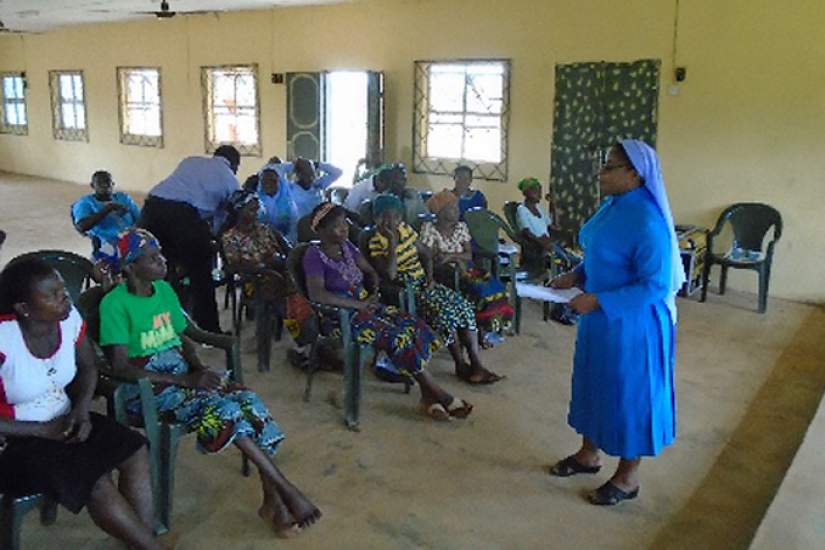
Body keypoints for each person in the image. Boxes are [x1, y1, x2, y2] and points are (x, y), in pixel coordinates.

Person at [98, 228, 321, 535]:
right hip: (148, 389)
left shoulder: (163, 291)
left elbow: (183, 338)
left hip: (181, 377)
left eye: (160, 253)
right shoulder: (115, 304)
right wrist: (186, 380)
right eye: (152, 258)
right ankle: (284, 490)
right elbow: (121, 366)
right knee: (226, 410)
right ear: (130, 267)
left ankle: (275, 500)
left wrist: (202, 371)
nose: (162, 261)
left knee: (249, 402)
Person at [548, 140, 685, 506]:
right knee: (595, 383)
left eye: (610, 167)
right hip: (599, 321)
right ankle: (588, 454)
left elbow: (655, 285)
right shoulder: (612, 206)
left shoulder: (647, 221)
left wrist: (598, 299)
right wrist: (576, 276)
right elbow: (601, 254)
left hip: (633, 324)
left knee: (630, 394)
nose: (601, 173)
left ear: (635, 174)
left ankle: (627, 477)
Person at [0, 258, 161, 549]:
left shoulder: (69, 318)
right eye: (52, 295)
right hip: (15, 440)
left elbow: (88, 367)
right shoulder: (3, 339)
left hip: (65, 418)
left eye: (63, 290)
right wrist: (41, 431)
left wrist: (82, 409)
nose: (65, 298)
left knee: (135, 448)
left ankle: (142, 539)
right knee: (96, 481)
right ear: (24, 309)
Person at [303, 203, 473, 420]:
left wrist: (373, 289)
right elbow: (318, 295)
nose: (344, 229)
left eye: (344, 223)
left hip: (365, 308)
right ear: (321, 230)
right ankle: (440, 395)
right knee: (398, 337)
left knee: (414, 325)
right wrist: (359, 305)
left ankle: (428, 396)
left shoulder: (347, 248)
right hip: (338, 318)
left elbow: (370, 270)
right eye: (337, 226)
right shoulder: (313, 255)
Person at [367, 194, 503, 385]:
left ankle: (476, 363)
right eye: (385, 217)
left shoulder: (406, 230)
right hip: (406, 289)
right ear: (376, 218)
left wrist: (430, 277)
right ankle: (460, 364)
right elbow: (389, 274)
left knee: (463, 306)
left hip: (423, 281)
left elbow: (426, 254)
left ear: (401, 217)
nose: (391, 222)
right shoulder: (375, 241)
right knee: (445, 314)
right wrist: (391, 244)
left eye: (395, 217)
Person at [139, 145, 241, 332]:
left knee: (150, 268)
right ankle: (208, 330)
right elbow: (222, 221)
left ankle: (151, 323)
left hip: (151, 209)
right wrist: (212, 242)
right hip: (183, 217)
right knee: (201, 273)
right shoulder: (231, 180)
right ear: (235, 165)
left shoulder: (191, 160)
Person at [221, 190, 316, 372]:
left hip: (280, 275)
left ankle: (307, 343)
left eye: (257, 210)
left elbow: (285, 252)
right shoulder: (230, 237)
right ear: (239, 211)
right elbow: (235, 265)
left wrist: (279, 262)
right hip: (254, 282)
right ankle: (305, 344)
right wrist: (265, 264)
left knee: (296, 291)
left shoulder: (264, 229)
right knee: (289, 294)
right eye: (251, 210)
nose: (256, 214)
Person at [420, 190, 514, 346]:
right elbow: (432, 257)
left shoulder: (461, 227)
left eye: (457, 207)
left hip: (466, 268)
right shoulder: (429, 228)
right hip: (444, 274)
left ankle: (490, 329)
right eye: (452, 208)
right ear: (440, 212)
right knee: (477, 292)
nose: (457, 211)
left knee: (496, 289)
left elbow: (468, 254)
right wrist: (455, 257)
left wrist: (451, 256)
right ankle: (479, 332)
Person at [71, 170, 141, 253]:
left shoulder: (123, 198)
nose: (104, 185)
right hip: (109, 244)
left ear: (113, 184)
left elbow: (140, 218)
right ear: (92, 185)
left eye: (108, 182)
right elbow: (81, 226)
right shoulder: (86, 203)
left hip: (133, 239)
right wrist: (107, 209)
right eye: (100, 183)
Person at [267, 158, 342, 221]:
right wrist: (291, 166)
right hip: (299, 229)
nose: (312, 177)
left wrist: (318, 164)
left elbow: (337, 172)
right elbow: (271, 170)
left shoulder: (318, 185)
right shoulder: (289, 188)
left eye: (313, 173)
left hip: (319, 225)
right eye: (307, 174)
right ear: (298, 174)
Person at [515, 177, 555, 277]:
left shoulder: (539, 208)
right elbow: (526, 232)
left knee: (571, 259)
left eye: (540, 191)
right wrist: (543, 244)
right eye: (536, 191)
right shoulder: (522, 209)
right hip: (535, 248)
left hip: (546, 244)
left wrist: (553, 204)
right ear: (526, 193)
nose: (540, 194)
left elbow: (551, 226)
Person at [256, 163, 299, 244]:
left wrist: (284, 244)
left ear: (279, 182)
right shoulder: (256, 202)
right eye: (264, 181)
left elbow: (293, 230)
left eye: (272, 180)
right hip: (262, 243)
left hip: (286, 244)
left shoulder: (289, 204)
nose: (268, 184)